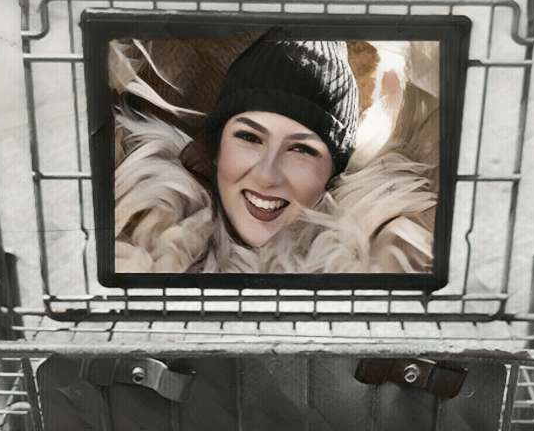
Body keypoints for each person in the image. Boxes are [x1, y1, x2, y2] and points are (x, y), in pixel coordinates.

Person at [112, 34, 437, 275]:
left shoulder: (376, 259)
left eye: (301, 149)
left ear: (332, 173)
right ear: (216, 150)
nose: (267, 174)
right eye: (250, 137)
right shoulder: (131, 234)